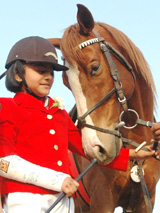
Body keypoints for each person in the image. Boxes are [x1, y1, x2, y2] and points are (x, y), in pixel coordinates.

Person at [0, 36, 159, 213]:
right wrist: (56, 180)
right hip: (25, 200)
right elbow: (3, 163)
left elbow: (87, 150)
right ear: (17, 74)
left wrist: (132, 154)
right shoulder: (6, 108)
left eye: (51, 73)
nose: (48, 78)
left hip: (63, 199)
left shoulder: (58, 113)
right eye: (40, 71)